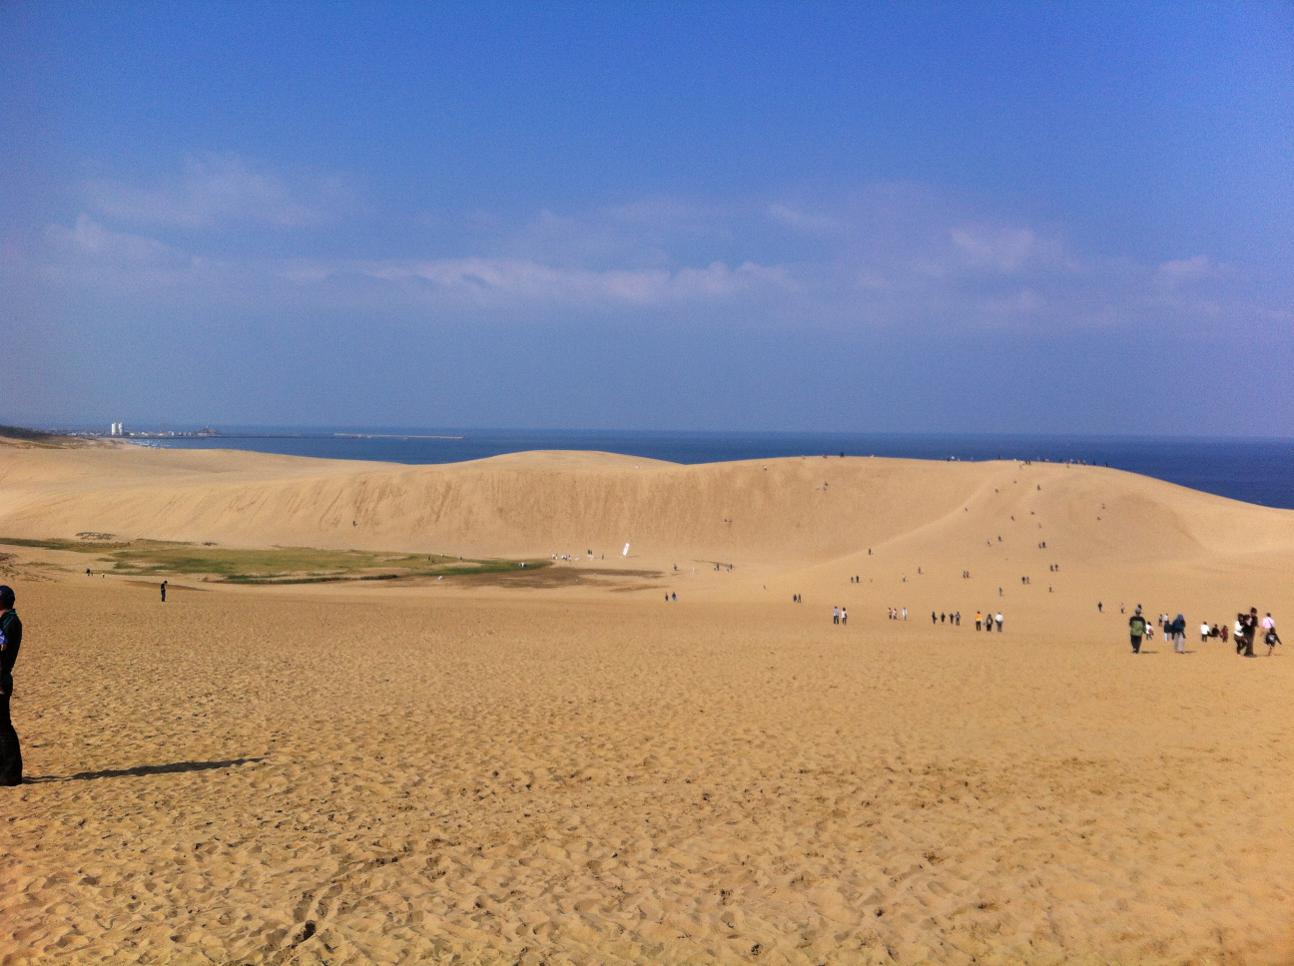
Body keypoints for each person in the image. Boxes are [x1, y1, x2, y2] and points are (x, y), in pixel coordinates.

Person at [0, 585, 22, 786]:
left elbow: (1, 651)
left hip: (1, 680)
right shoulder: (5, 620)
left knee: (3, 727)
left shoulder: (10, 622)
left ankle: (11, 774)